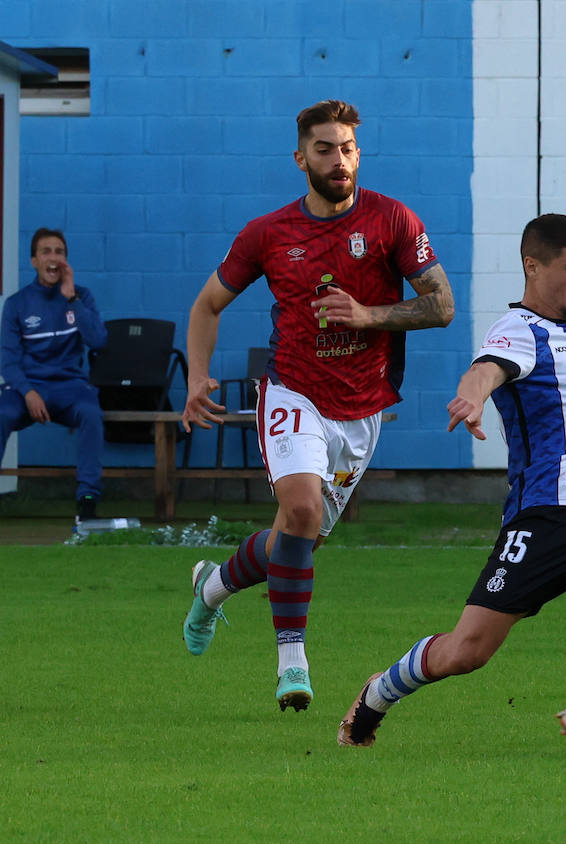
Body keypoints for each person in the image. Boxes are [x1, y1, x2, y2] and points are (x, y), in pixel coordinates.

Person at [338, 213, 566, 752]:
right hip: (544, 523)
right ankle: (377, 694)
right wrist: (473, 395)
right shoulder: (516, 331)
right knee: (467, 652)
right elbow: (487, 368)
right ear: (534, 267)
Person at [179, 99, 454, 711]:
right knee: (300, 511)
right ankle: (292, 665)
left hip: (362, 409)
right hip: (292, 390)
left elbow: (442, 305)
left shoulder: (393, 222)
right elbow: (206, 306)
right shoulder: (268, 233)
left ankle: (211, 586)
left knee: (297, 538)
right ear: (300, 157)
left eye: (348, 147)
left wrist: (369, 315)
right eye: (325, 148)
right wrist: (198, 376)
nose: (339, 159)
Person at [0, 228, 107, 524]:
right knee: (1, 413)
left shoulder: (81, 296)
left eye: (59, 252)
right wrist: (28, 392)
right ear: (34, 261)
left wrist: (71, 298)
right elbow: (8, 362)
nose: (53, 258)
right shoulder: (17, 304)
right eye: (46, 251)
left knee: (90, 413)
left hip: (70, 388)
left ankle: (87, 500)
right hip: (27, 390)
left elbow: (99, 341)